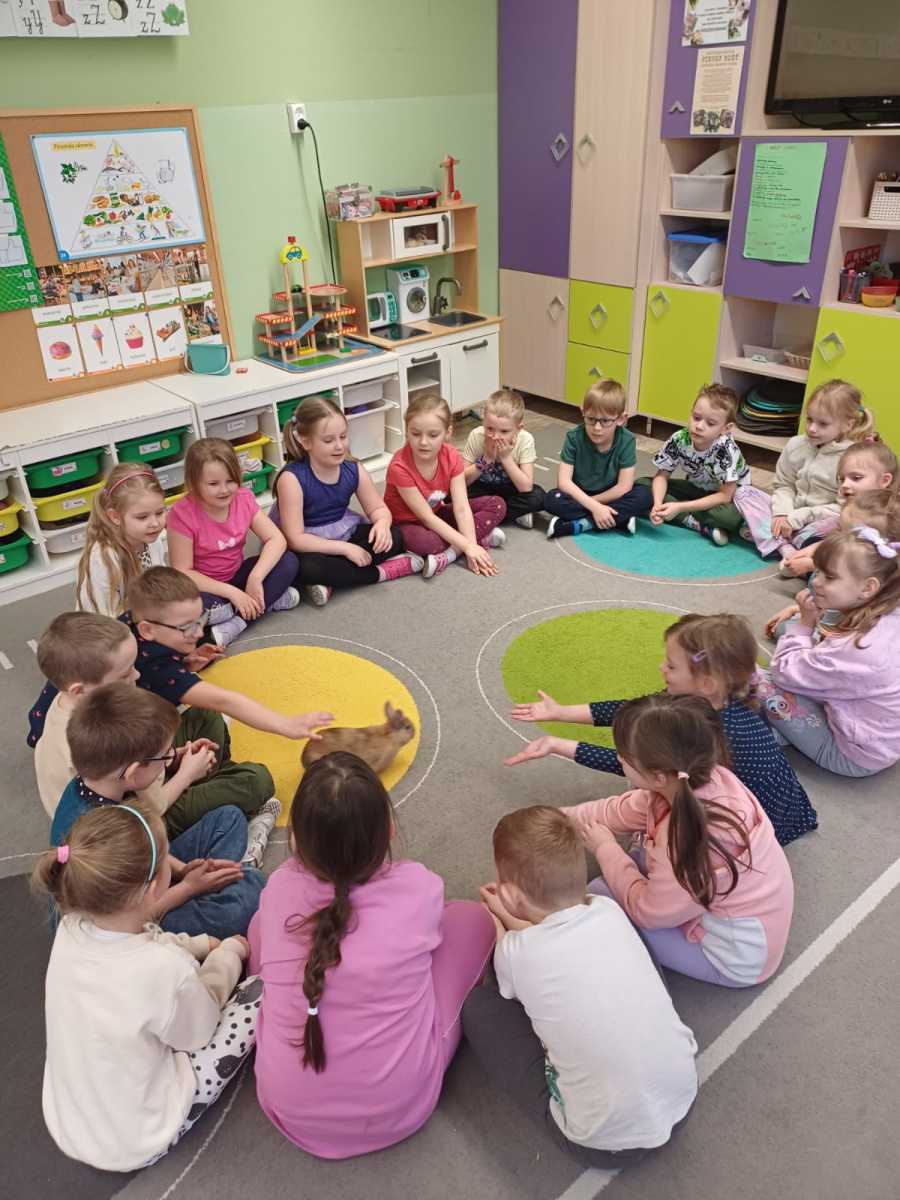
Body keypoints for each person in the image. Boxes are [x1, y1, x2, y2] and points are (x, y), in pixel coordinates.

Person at [248, 752, 495, 1159]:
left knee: (261, 924)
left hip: (287, 1107)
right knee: (473, 919)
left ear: (294, 841)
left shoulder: (278, 889)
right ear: (390, 830)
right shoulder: (419, 886)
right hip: (400, 1107)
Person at [462, 806, 697, 1169]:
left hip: (602, 1144)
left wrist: (498, 922)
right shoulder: (607, 908)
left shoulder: (514, 952)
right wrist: (513, 917)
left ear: (509, 894)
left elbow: (510, 981)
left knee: (480, 1006)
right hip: (681, 1095)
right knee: (618, 953)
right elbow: (546, 940)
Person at [36, 802, 261, 1172]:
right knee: (260, 991)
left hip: (70, 1122)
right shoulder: (163, 968)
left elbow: (150, 942)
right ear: (155, 888)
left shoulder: (70, 927)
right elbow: (200, 1031)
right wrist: (229, 954)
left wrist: (198, 945)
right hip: (139, 1137)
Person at [507, 613, 817, 846]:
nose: (661, 667)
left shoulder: (701, 732)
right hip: (780, 800)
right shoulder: (713, 695)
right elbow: (629, 711)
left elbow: (638, 766)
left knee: (652, 802)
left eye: (671, 665)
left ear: (706, 682)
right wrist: (561, 712)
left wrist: (558, 745)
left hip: (757, 823)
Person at [563, 694, 794, 987]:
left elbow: (648, 913)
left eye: (624, 756)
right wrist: (560, 816)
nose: (619, 758)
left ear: (659, 776)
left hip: (736, 959)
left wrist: (605, 848)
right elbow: (620, 811)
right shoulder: (702, 778)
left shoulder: (688, 839)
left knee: (599, 897)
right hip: (748, 917)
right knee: (639, 851)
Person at [30, 612, 277, 850]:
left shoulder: (70, 704)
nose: (137, 674)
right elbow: (150, 806)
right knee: (256, 781)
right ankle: (215, 796)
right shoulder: (104, 735)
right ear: (79, 690)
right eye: (125, 674)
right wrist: (186, 774)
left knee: (205, 716)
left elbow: (137, 769)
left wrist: (173, 757)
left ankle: (212, 785)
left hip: (136, 784)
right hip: (138, 824)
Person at [49, 682, 265, 939]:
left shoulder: (96, 783)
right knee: (249, 891)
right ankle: (213, 895)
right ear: (132, 773)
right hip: (122, 922)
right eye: (164, 758)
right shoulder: (107, 832)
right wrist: (188, 888)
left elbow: (150, 844)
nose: (168, 761)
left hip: (145, 878)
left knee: (229, 818)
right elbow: (132, 918)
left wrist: (184, 870)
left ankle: (214, 888)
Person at [757, 525, 900, 776]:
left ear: (868, 588)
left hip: (850, 754)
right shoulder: (888, 609)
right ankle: (785, 730)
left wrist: (805, 624)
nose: (816, 582)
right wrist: (803, 617)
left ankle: (773, 733)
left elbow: (783, 673)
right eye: (818, 572)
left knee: (750, 675)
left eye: (829, 577)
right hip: (879, 736)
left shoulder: (858, 648)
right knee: (790, 632)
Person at [270, 395, 422, 607]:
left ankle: (333, 580)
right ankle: (380, 573)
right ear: (305, 441)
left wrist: (382, 524)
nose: (339, 446)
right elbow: (296, 539)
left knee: (395, 536)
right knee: (305, 567)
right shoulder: (291, 479)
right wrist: (345, 549)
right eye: (328, 440)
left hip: (343, 530)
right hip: (308, 542)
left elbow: (378, 508)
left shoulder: (353, 468)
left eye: (343, 437)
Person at [166, 438, 300, 647]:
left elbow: (276, 539)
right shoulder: (181, 514)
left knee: (288, 561)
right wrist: (233, 593)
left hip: (237, 577)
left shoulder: (243, 498)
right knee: (180, 613)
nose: (224, 490)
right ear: (194, 483)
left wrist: (256, 578)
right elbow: (183, 572)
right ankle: (266, 601)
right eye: (213, 484)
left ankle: (237, 622)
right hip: (205, 589)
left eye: (230, 481)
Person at [736, 380, 876, 559]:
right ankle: (785, 547)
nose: (812, 429)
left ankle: (772, 537)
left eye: (823, 424)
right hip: (790, 512)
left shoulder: (852, 458)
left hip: (817, 521)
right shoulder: (795, 445)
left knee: (842, 525)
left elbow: (844, 507)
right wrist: (782, 513)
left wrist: (797, 518)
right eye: (809, 419)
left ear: (847, 425)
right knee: (743, 493)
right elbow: (783, 484)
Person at [383, 392, 505, 580]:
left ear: (447, 433)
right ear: (406, 431)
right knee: (428, 543)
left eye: (433, 435)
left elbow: (461, 508)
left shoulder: (452, 455)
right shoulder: (399, 467)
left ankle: (451, 552)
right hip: (407, 523)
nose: (423, 442)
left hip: (437, 513)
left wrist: (470, 546)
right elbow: (426, 518)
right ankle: (472, 541)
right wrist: (468, 546)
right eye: (415, 434)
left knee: (497, 504)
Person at [766, 490, 900, 636]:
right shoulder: (865, 583)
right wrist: (798, 610)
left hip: (841, 633)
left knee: (786, 630)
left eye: (849, 535)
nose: (837, 538)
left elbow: (829, 640)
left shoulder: (876, 622)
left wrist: (805, 623)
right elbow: (839, 609)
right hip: (837, 618)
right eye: (839, 530)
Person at [641, 383, 749, 545]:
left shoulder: (726, 450)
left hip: (728, 500)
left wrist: (680, 507)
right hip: (697, 489)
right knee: (642, 484)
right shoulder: (680, 438)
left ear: (726, 428)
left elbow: (725, 496)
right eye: (696, 418)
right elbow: (662, 476)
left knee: (729, 518)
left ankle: (683, 516)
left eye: (710, 423)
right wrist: (657, 504)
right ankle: (697, 524)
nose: (699, 426)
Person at [545, 380, 652, 539]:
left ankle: (583, 524)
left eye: (605, 421)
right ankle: (619, 519)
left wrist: (594, 505)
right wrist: (594, 507)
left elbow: (623, 487)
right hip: (580, 494)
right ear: (583, 412)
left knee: (645, 495)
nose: (597, 428)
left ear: (621, 419)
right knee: (551, 500)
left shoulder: (627, 440)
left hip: (612, 495)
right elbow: (564, 482)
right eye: (590, 419)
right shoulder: (574, 437)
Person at [778, 440, 898, 579]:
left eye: (856, 478)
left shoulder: (884, 514)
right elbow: (841, 540)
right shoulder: (855, 506)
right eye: (842, 479)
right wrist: (807, 552)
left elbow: (864, 561)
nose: (845, 485)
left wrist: (811, 564)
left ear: (884, 480)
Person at [75, 463, 169, 617]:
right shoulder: (104, 558)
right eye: (142, 517)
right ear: (115, 516)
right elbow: (105, 619)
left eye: (159, 513)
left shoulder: (152, 540)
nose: (155, 523)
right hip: (110, 627)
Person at [462, 388, 545, 529]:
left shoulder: (525, 440)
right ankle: (509, 514)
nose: (495, 436)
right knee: (451, 492)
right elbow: (461, 481)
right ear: (483, 422)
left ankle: (484, 515)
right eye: (490, 429)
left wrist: (505, 457)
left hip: (511, 490)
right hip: (481, 488)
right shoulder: (476, 436)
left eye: (504, 431)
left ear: (518, 428)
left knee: (538, 497)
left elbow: (525, 487)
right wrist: (487, 458)